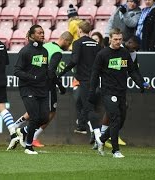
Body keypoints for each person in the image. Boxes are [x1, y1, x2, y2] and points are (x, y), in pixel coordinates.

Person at [89, 28, 149, 158]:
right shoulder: (102, 54)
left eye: (120, 39)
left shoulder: (125, 53)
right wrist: (91, 91)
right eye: (115, 39)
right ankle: (116, 150)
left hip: (121, 91)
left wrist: (141, 83)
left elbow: (132, 71)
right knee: (115, 118)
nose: (117, 41)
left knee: (120, 121)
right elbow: (94, 74)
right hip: (108, 92)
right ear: (110, 39)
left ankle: (102, 139)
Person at [13, 31, 73, 147]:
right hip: (46, 84)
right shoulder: (57, 52)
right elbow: (50, 72)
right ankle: (30, 135)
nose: (68, 46)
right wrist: (60, 86)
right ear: (65, 40)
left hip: (35, 83)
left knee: (34, 110)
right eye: (69, 43)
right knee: (50, 113)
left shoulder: (46, 46)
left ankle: (15, 127)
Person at [58, 21, 102, 135]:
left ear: (80, 30)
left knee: (88, 106)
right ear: (90, 31)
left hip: (84, 79)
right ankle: (82, 126)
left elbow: (74, 60)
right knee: (88, 105)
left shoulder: (77, 43)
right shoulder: (97, 44)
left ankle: (98, 134)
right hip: (95, 79)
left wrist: (63, 72)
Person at [14, 25, 49, 154]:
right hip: (28, 89)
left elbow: (45, 70)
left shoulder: (45, 51)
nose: (42, 35)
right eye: (39, 33)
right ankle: (28, 146)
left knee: (45, 118)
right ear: (32, 35)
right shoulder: (25, 51)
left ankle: (24, 131)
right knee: (34, 116)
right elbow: (17, 71)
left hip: (42, 89)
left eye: (43, 32)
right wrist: (32, 77)